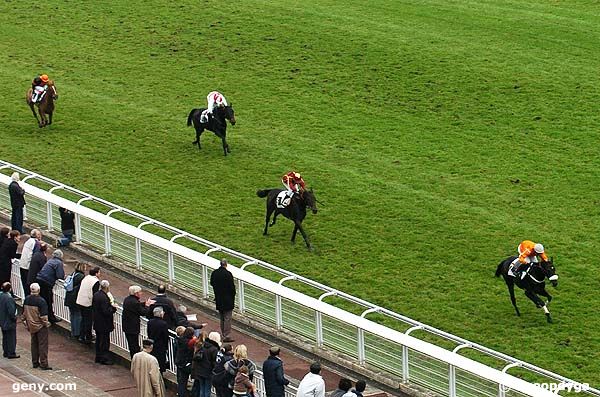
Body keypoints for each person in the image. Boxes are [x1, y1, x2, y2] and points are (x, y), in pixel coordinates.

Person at [23, 283, 52, 370]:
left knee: (34, 344)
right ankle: (44, 363)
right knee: (42, 345)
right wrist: (47, 324)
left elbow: (24, 314)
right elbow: (43, 317)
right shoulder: (41, 301)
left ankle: (35, 362)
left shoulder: (27, 299)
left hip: (31, 325)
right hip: (40, 326)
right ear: (38, 290)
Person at [123, 285, 154, 358]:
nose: (141, 293)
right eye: (140, 292)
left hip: (127, 326)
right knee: (134, 347)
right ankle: (136, 362)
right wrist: (148, 306)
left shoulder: (127, 299)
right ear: (136, 293)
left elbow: (137, 306)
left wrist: (144, 303)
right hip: (132, 328)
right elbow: (143, 312)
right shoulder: (134, 302)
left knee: (132, 345)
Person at [36, 249, 65, 323]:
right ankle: (50, 317)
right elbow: (60, 275)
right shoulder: (58, 263)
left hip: (40, 279)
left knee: (43, 299)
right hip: (46, 282)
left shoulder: (50, 261)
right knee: (48, 300)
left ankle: (42, 315)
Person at [210, 258, 236, 342]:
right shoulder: (228, 274)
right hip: (228, 299)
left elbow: (212, 283)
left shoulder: (214, 273)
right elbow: (232, 288)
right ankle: (226, 335)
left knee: (222, 317)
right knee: (227, 317)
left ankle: (223, 333)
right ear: (226, 264)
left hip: (218, 298)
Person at [92, 279, 117, 365]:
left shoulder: (96, 294)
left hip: (98, 322)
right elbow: (106, 311)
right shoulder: (104, 297)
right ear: (107, 287)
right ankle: (104, 358)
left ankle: (98, 357)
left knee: (99, 341)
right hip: (104, 324)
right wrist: (113, 308)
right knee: (104, 342)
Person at [191, 331, 221, 397]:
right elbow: (214, 362)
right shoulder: (214, 349)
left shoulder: (203, 345)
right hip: (208, 372)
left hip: (200, 371)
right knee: (207, 390)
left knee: (202, 389)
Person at [76, 266, 101, 344]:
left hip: (80, 301)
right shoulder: (95, 281)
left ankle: (81, 336)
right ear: (96, 273)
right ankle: (88, 337)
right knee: (88, 321)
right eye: (99, 272)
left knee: (83, 319)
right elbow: (95, 294)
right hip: (87, 303)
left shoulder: (86, 278)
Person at [64, 262, 86, 340]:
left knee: (73, 315)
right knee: (77, 315)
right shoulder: (81, 277)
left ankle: (73, 331)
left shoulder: (73, 274)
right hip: (75, 299)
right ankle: (77, 333)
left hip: (69, 298)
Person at [19, 229, 42, 297]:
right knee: (30, 286)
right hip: (28, 268)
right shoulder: (36, 243)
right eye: (39, 234)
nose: (40, 236)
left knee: (25, 287)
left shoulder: (28, 241)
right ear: (37, 236)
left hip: (22, 265)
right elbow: (36, 257)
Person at [147, 306, 169, 373]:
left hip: (152, 344)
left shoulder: (150, 322)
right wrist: (166, 346)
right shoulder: (163, 324)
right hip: (160, 346)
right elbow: (165, 336)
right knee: (160, 362)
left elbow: (149, 332)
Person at [0, 282, 18, 358]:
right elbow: (11, 312)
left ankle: (6, 352)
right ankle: (11, 353)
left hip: (2, 320)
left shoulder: (1, 295)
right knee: (11, 337)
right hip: (9, 321)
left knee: (5, 337)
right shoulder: (9, 298)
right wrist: (14, 318)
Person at [175, 326, 195, 397]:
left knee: (182, 382)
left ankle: (181, 394)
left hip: (180, 363)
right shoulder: (190, 342)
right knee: (197, 381)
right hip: (187, 364)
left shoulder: (180, 339)